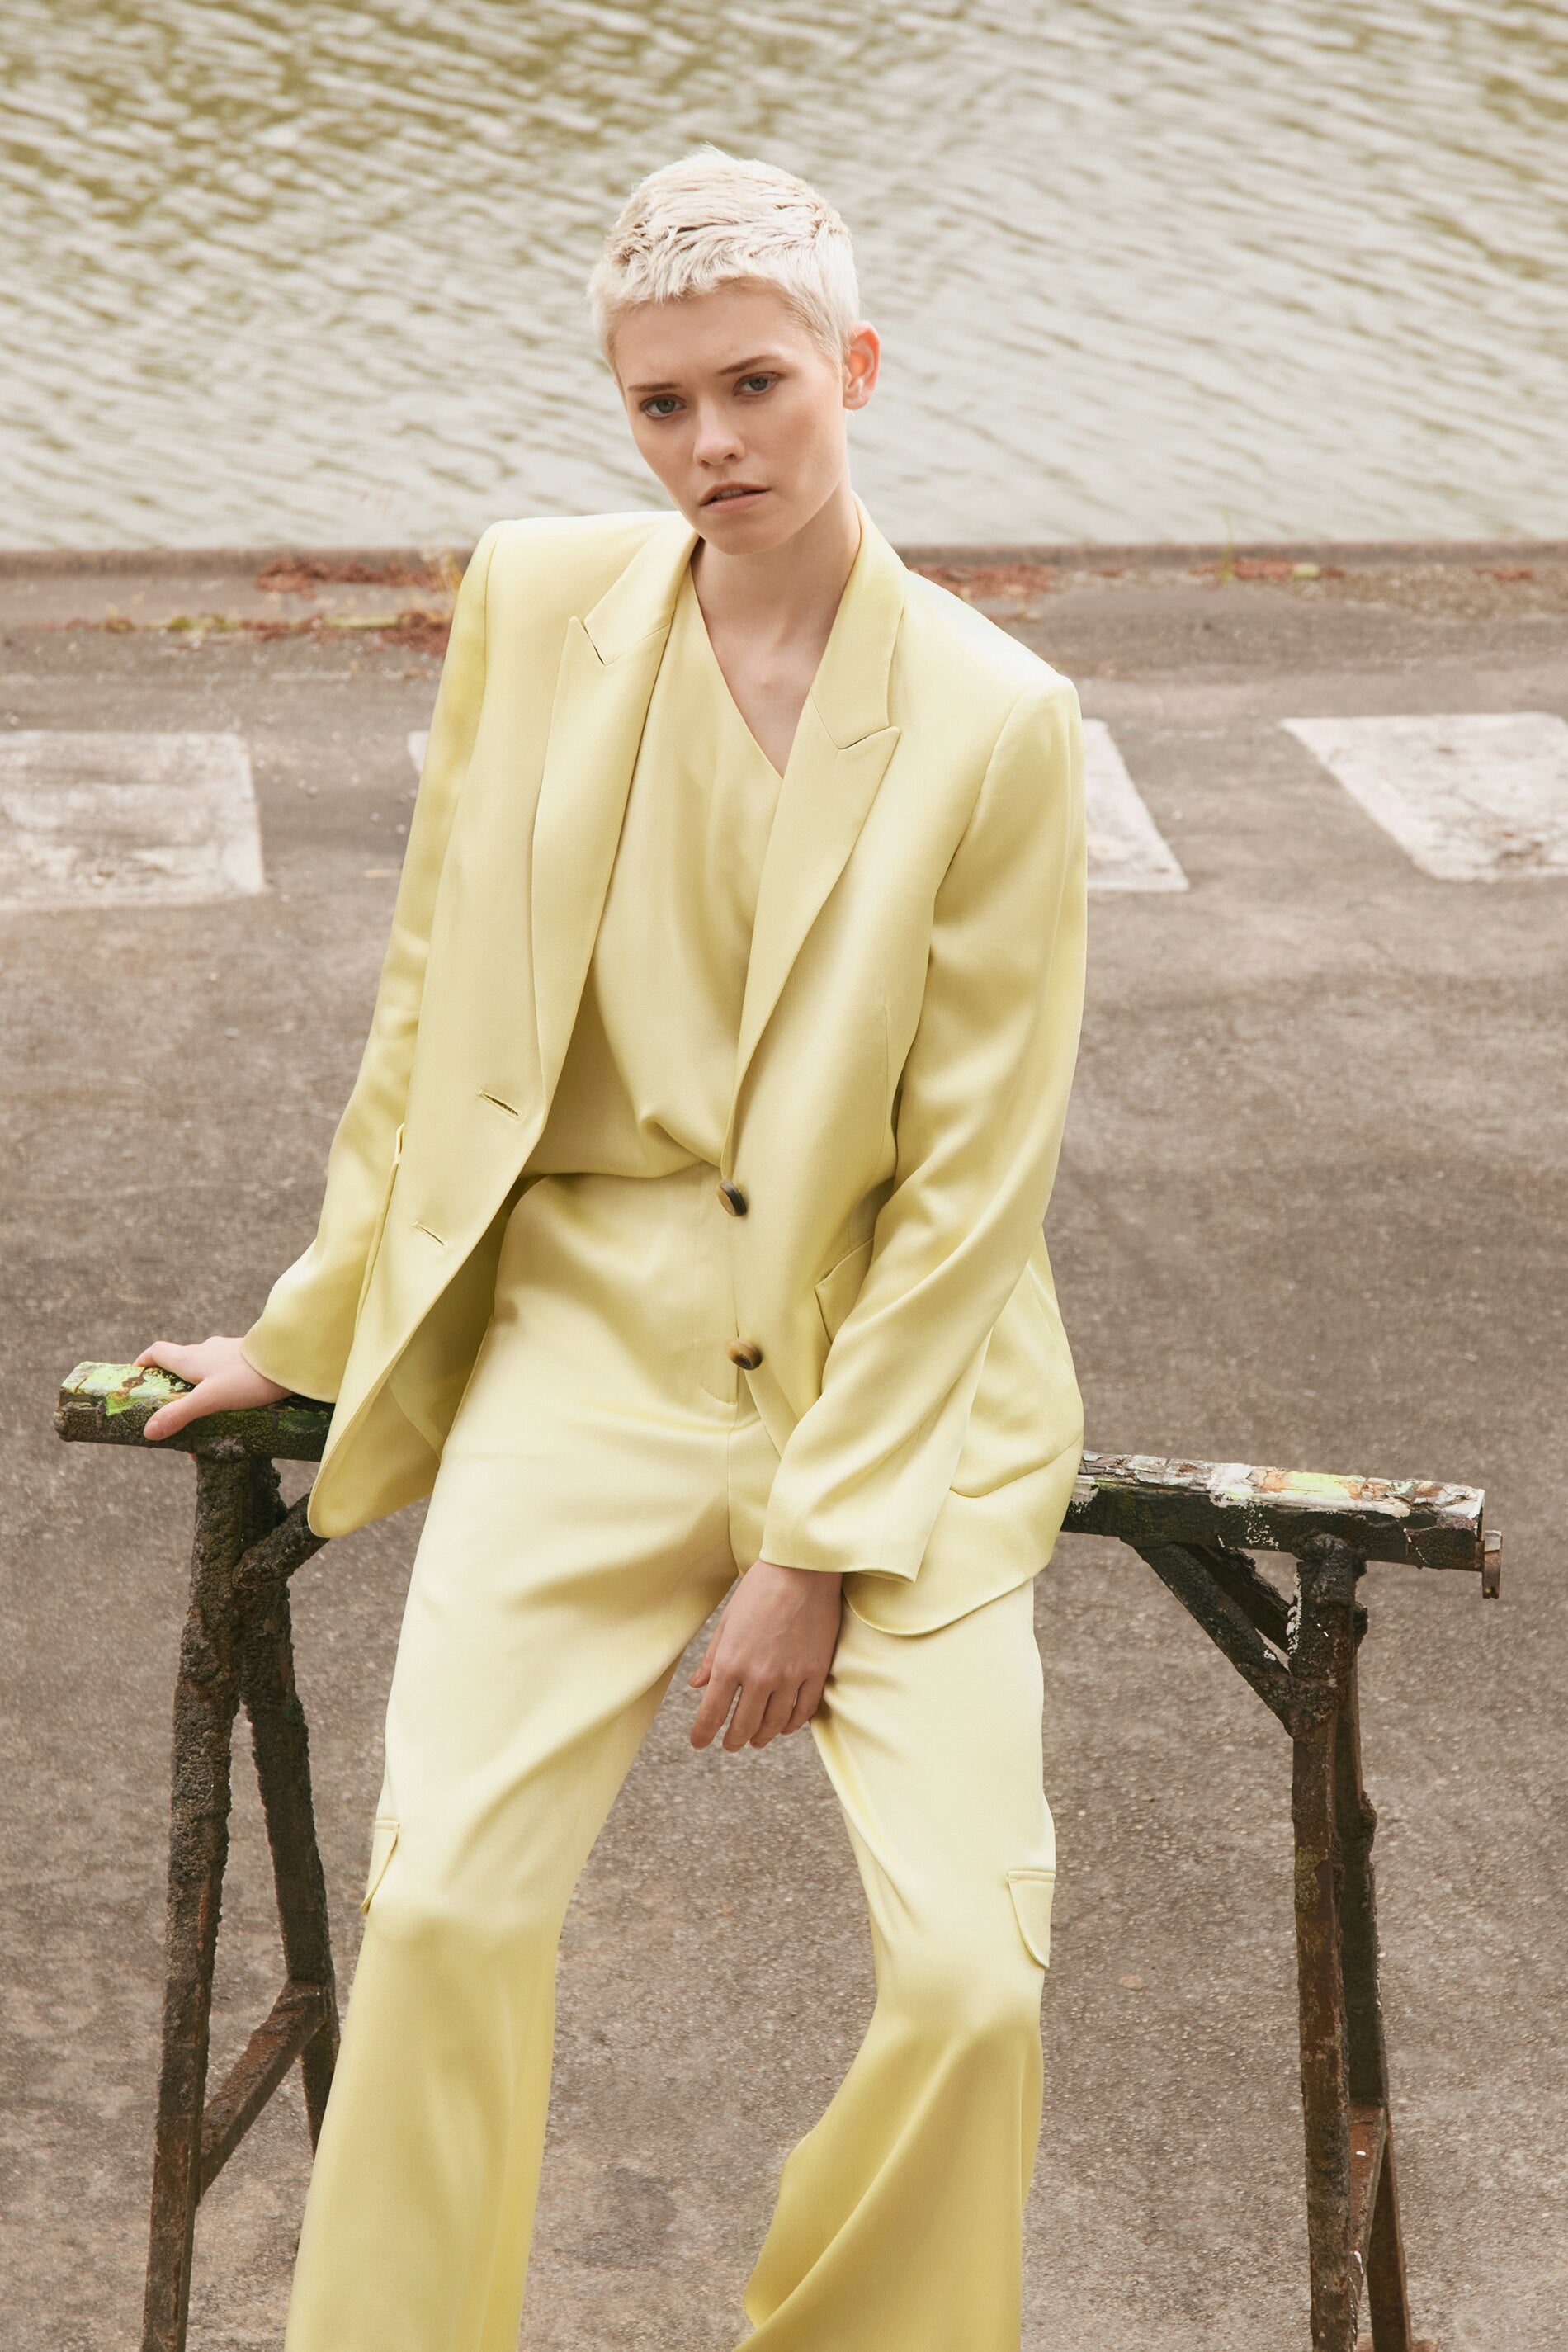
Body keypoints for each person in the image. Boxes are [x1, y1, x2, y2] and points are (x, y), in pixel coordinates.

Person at [135, 148, 1088, 2352]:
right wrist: (320, 1324)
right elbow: (436, 1002)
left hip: (886, 1380)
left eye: (757, 386)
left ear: (856, 369)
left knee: (970, 1977)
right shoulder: (541, 601)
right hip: (583, 1339)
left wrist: (818, 1544)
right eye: (661, 404)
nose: (712, 445)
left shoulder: (994, 717)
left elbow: (975, 1189)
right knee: (440, 1910)